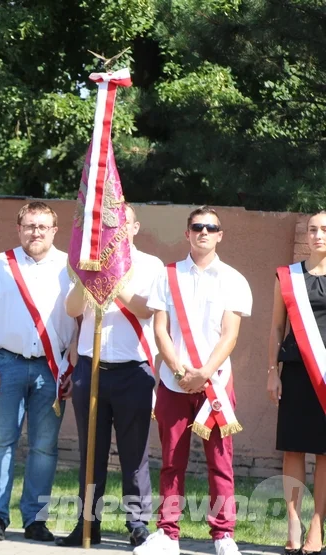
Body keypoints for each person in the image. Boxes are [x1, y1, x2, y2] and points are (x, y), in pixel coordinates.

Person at [134, 206, 252, 555]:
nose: (203, 232)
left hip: (215, 383)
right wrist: (180, 371)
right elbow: (159, 328)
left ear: (220, 235)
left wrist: (203, 374)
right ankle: (168, 534)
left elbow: (229, 335)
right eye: (197, 226)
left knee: (220, 460)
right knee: (172, 459)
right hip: (174, 382)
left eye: (210, 227)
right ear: (187, 232)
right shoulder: (166, 275)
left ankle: (223, 534)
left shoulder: (233, 278)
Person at [0, 201, 77, 543]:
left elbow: (81, 319)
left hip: (52, 367)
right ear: (19, 228)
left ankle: (35, 520)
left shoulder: (69, 267)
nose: (36, 232)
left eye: (42, 226)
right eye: (30, 226)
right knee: (1, 442)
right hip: (7, 364)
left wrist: (71, 365)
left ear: (54, 230)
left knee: (45, 446)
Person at [59, 203, 161, 547]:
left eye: (123, 225)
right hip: (92, 368)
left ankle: (138, 524)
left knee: (134, 455)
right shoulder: (86, 261)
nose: (116, 232)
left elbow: (147, 310)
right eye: (109, 226)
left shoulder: (150, 265)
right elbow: (72, 309)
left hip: (133, 370)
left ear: (133, 228)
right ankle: (88, 524)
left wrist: (113, 279)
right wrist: (87, 276)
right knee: (92, 452)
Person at [268, 210, 326, 555]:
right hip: (295, 371)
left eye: (324, 230)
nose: (318, 235)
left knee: (324, 452)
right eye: (313, 229)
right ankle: (293, 520)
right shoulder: (288, 276)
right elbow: (276, 327)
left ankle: (317, 524)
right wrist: (271, 371)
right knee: (293, 447)